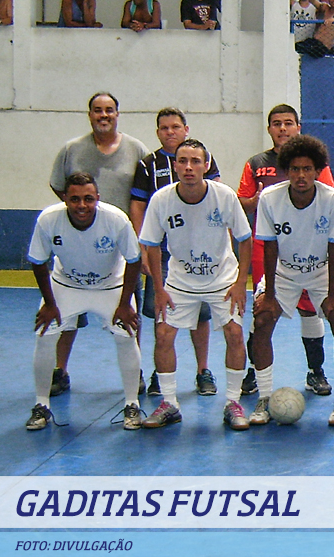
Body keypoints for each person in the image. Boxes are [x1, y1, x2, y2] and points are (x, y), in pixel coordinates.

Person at [138, 138, 253, 430]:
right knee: (164, 334)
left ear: (206, 165)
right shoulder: (161, 199)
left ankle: (233, 402)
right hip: (180, 280)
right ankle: (169, 403)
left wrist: (241, 282)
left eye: (195, 161)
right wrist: (159, 288)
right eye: (183, 161)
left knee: (234, 333)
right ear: (175, 165)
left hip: (222, 279)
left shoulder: (224, 196)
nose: (189, 167)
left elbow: (245, 239)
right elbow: (151, 245)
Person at [49, 92, 149, 398]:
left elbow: (145, 192)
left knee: (129, 312)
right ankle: (60, 371)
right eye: (97, 110)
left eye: (109, 110)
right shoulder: (71, 150)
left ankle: (135, 371)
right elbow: (58, 186)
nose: (103, 115)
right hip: (78, 243)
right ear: (89, 114)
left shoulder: (136, 150)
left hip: (121, 246)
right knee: (67, 315)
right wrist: (82, 217)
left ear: (117, 114)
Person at [25, 173, 143, 431]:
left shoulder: (116, 219)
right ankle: (41, 404)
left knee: (126, 335)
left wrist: (125, 304)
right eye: (75, 199)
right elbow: (38, 261)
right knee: (44, 334)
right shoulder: (48, 219)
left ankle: (132, 403)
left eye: (88, 199)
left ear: (97, 198)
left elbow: (134, 260)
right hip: (66, 285)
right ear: (65, 199)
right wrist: (50, 304)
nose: (82, 205)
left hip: (110, 286)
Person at [250, 134, 334, 426]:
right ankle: (264, 397)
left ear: (317, 170)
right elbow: (269, 246)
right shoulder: (270, 198)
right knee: (262, 320)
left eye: (307, 169)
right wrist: (270, 295)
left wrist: (333, 294)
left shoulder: (332, 199)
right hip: (284, 270)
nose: (301, 175)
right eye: (295, 169)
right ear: (286, 170)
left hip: (322, 270)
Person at [237, 105, 334, 398]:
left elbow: (327, 200)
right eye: (277, 123)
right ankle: (254, 371)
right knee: (263, 310)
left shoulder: (317, 164)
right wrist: (257, 200)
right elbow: (243, 202)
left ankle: (316, 370)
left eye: (289, 123)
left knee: (310, 308)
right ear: (269, 128)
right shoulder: (256, 163)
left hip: (308, 247)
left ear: (298, 127)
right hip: (268, 247)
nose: (283, 128)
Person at [130, 107, 221, 396]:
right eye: (164, 128)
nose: (170, 132)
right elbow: (138, 206)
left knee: (200, 316)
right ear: (158, 132)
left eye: (175, 127)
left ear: (186, 130)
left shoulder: (204, 157)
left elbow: (217, 198)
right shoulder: (147, 165)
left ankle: (203, 371)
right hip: (163, 253)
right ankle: (161, 373)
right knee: (162, 317)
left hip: (199, 253)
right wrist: (144, 247)